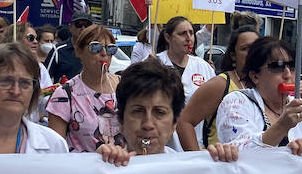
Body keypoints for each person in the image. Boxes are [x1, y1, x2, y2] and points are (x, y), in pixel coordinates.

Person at [99, 58, 239, 165]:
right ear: (121, 121)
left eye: (159, 112)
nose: (148, 124)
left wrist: (224, 163)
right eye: (137, 111)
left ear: (174, 123)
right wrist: (97, 162)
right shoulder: (106, 166)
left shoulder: (192, 169)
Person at [215, 36, 302, 149]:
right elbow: (240, 151)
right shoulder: (236, 103)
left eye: (292, 66)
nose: (287, 75)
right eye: (277, 66)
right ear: (255, 76)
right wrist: (282, 126)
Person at [176, 26, 259, 151]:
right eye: (245, 48)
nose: (252, 53)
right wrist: (198, 161)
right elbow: (183, 122)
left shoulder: (266, 85)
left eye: (256, 48)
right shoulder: (220, 84)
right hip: (221, 166)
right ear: (233, 55)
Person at [47, 24, 121, 152]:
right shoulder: (65, 94)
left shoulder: (125, 86)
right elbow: (55, 150)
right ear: (79, 51)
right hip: (83, 169)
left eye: (110, 49)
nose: (104, 53)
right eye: (96, 47)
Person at [155, 15, 215, 98]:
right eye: (182, 34)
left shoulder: (203, 66)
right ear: (168, 37)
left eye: (191, 33)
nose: (189, 38)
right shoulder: (155, 63)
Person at [46, 15, 89, 83]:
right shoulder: (58, 50)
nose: (83, 28)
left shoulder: (95, 50)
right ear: (70, 27)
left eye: (87, 25)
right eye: (79, 24)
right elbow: (44, 80)